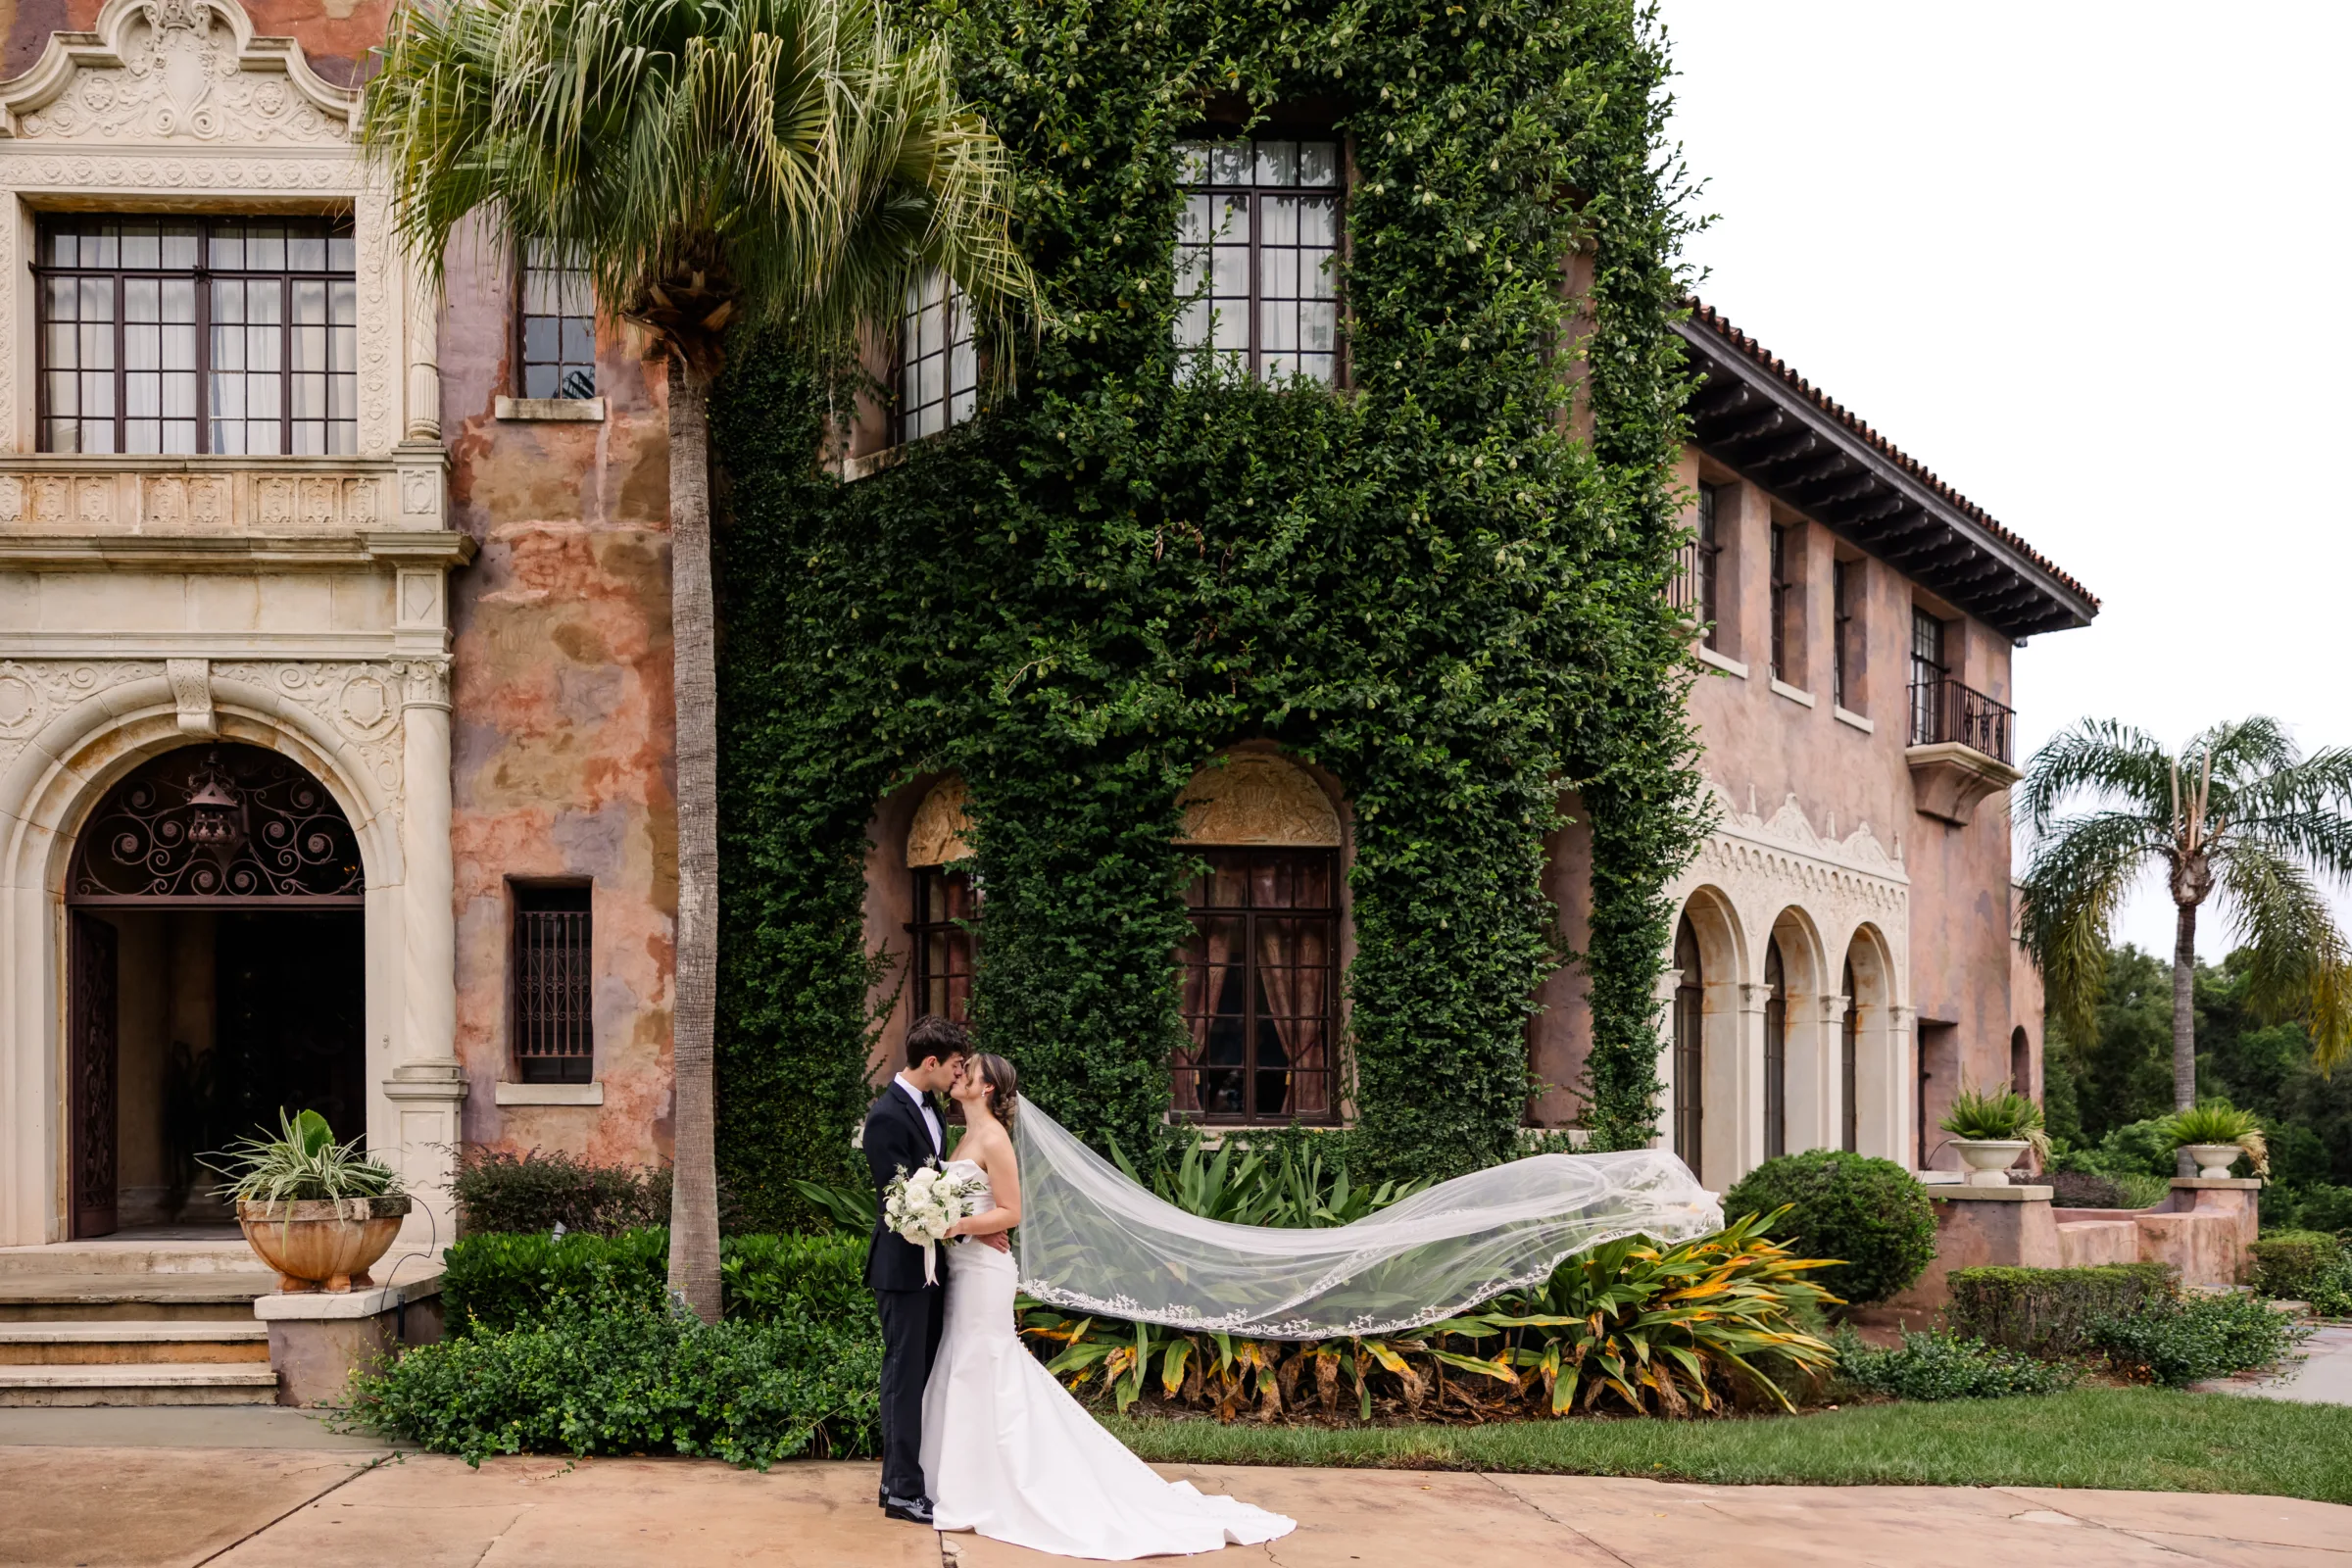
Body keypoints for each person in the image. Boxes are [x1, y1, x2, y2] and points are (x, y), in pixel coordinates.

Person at [917, 1051, 1296, 1559]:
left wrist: (955, 1225)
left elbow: (1012, 1211)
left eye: (971, 1070)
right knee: (963, 1362)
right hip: (964, 1268)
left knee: (985, 1361)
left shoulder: (993, 1138)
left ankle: (1000, 1483)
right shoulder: (962, 1133)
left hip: (986, 1275)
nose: (960, 1074)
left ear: (987, 1089)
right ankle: (960, 1479)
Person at [861, 1015, 1005, 1525]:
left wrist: (973, 1224)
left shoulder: (936, 1115)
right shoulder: (885, 1117)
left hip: (936, 1267)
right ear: (931, 1063)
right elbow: (899, 1205)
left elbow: (943, 1188)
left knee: (916, 1376)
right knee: (904, 1377)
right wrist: (967, 1228)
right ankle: (901, 1491)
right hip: (902, 1269)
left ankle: (896, 1481)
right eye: (954, 1066)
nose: (957, 1075)